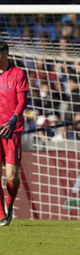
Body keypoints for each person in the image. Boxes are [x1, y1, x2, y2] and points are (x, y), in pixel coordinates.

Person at [0, 41, 29, 226]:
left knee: (12, 176)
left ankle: (9, 206)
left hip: (11, 130)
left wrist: (13, 119)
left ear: (5, 53)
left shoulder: (18, 74)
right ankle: (1, 214)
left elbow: (22, 100)